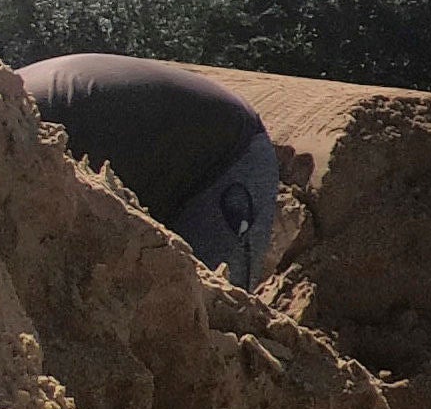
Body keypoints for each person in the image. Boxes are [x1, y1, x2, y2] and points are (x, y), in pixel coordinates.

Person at [19, 54, 280, 290]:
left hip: (226, 157)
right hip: (162, 154)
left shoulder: (21, 137)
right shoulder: (6, 104)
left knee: (202, 308)